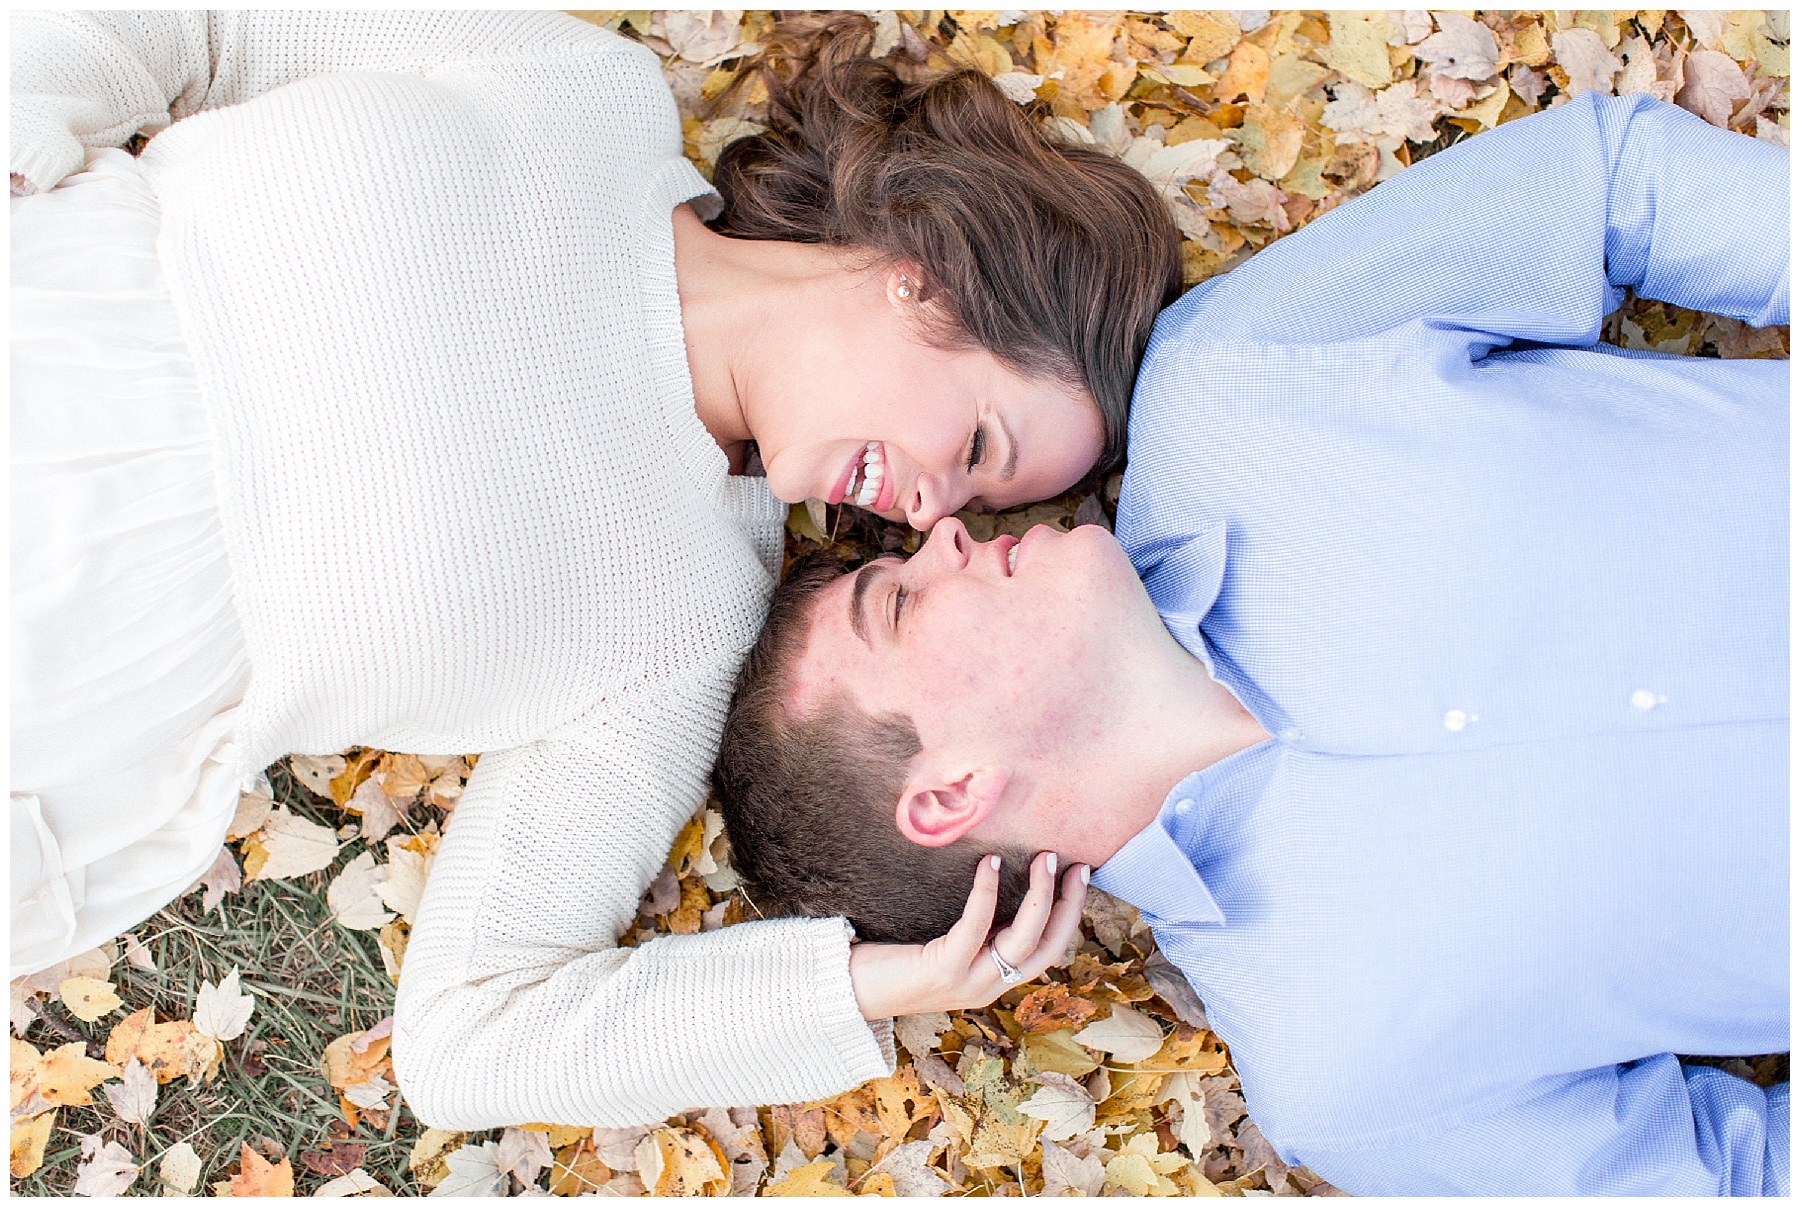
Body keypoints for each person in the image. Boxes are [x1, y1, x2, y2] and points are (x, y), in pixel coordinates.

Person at [11, 10, 1174, 1124]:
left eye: (977, 501)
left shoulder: (688, 620)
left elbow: (473, 1035)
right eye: (976, 445)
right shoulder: (577, 97)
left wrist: (877, 982)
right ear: (926, 274)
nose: (931, 512)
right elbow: (198, 19)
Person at [714, 92, 1789, 1194]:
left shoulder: (1231, 382)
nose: (940, 535)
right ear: (949, 794)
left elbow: (1605, 188)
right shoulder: (1347, 1076)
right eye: (899, 601)